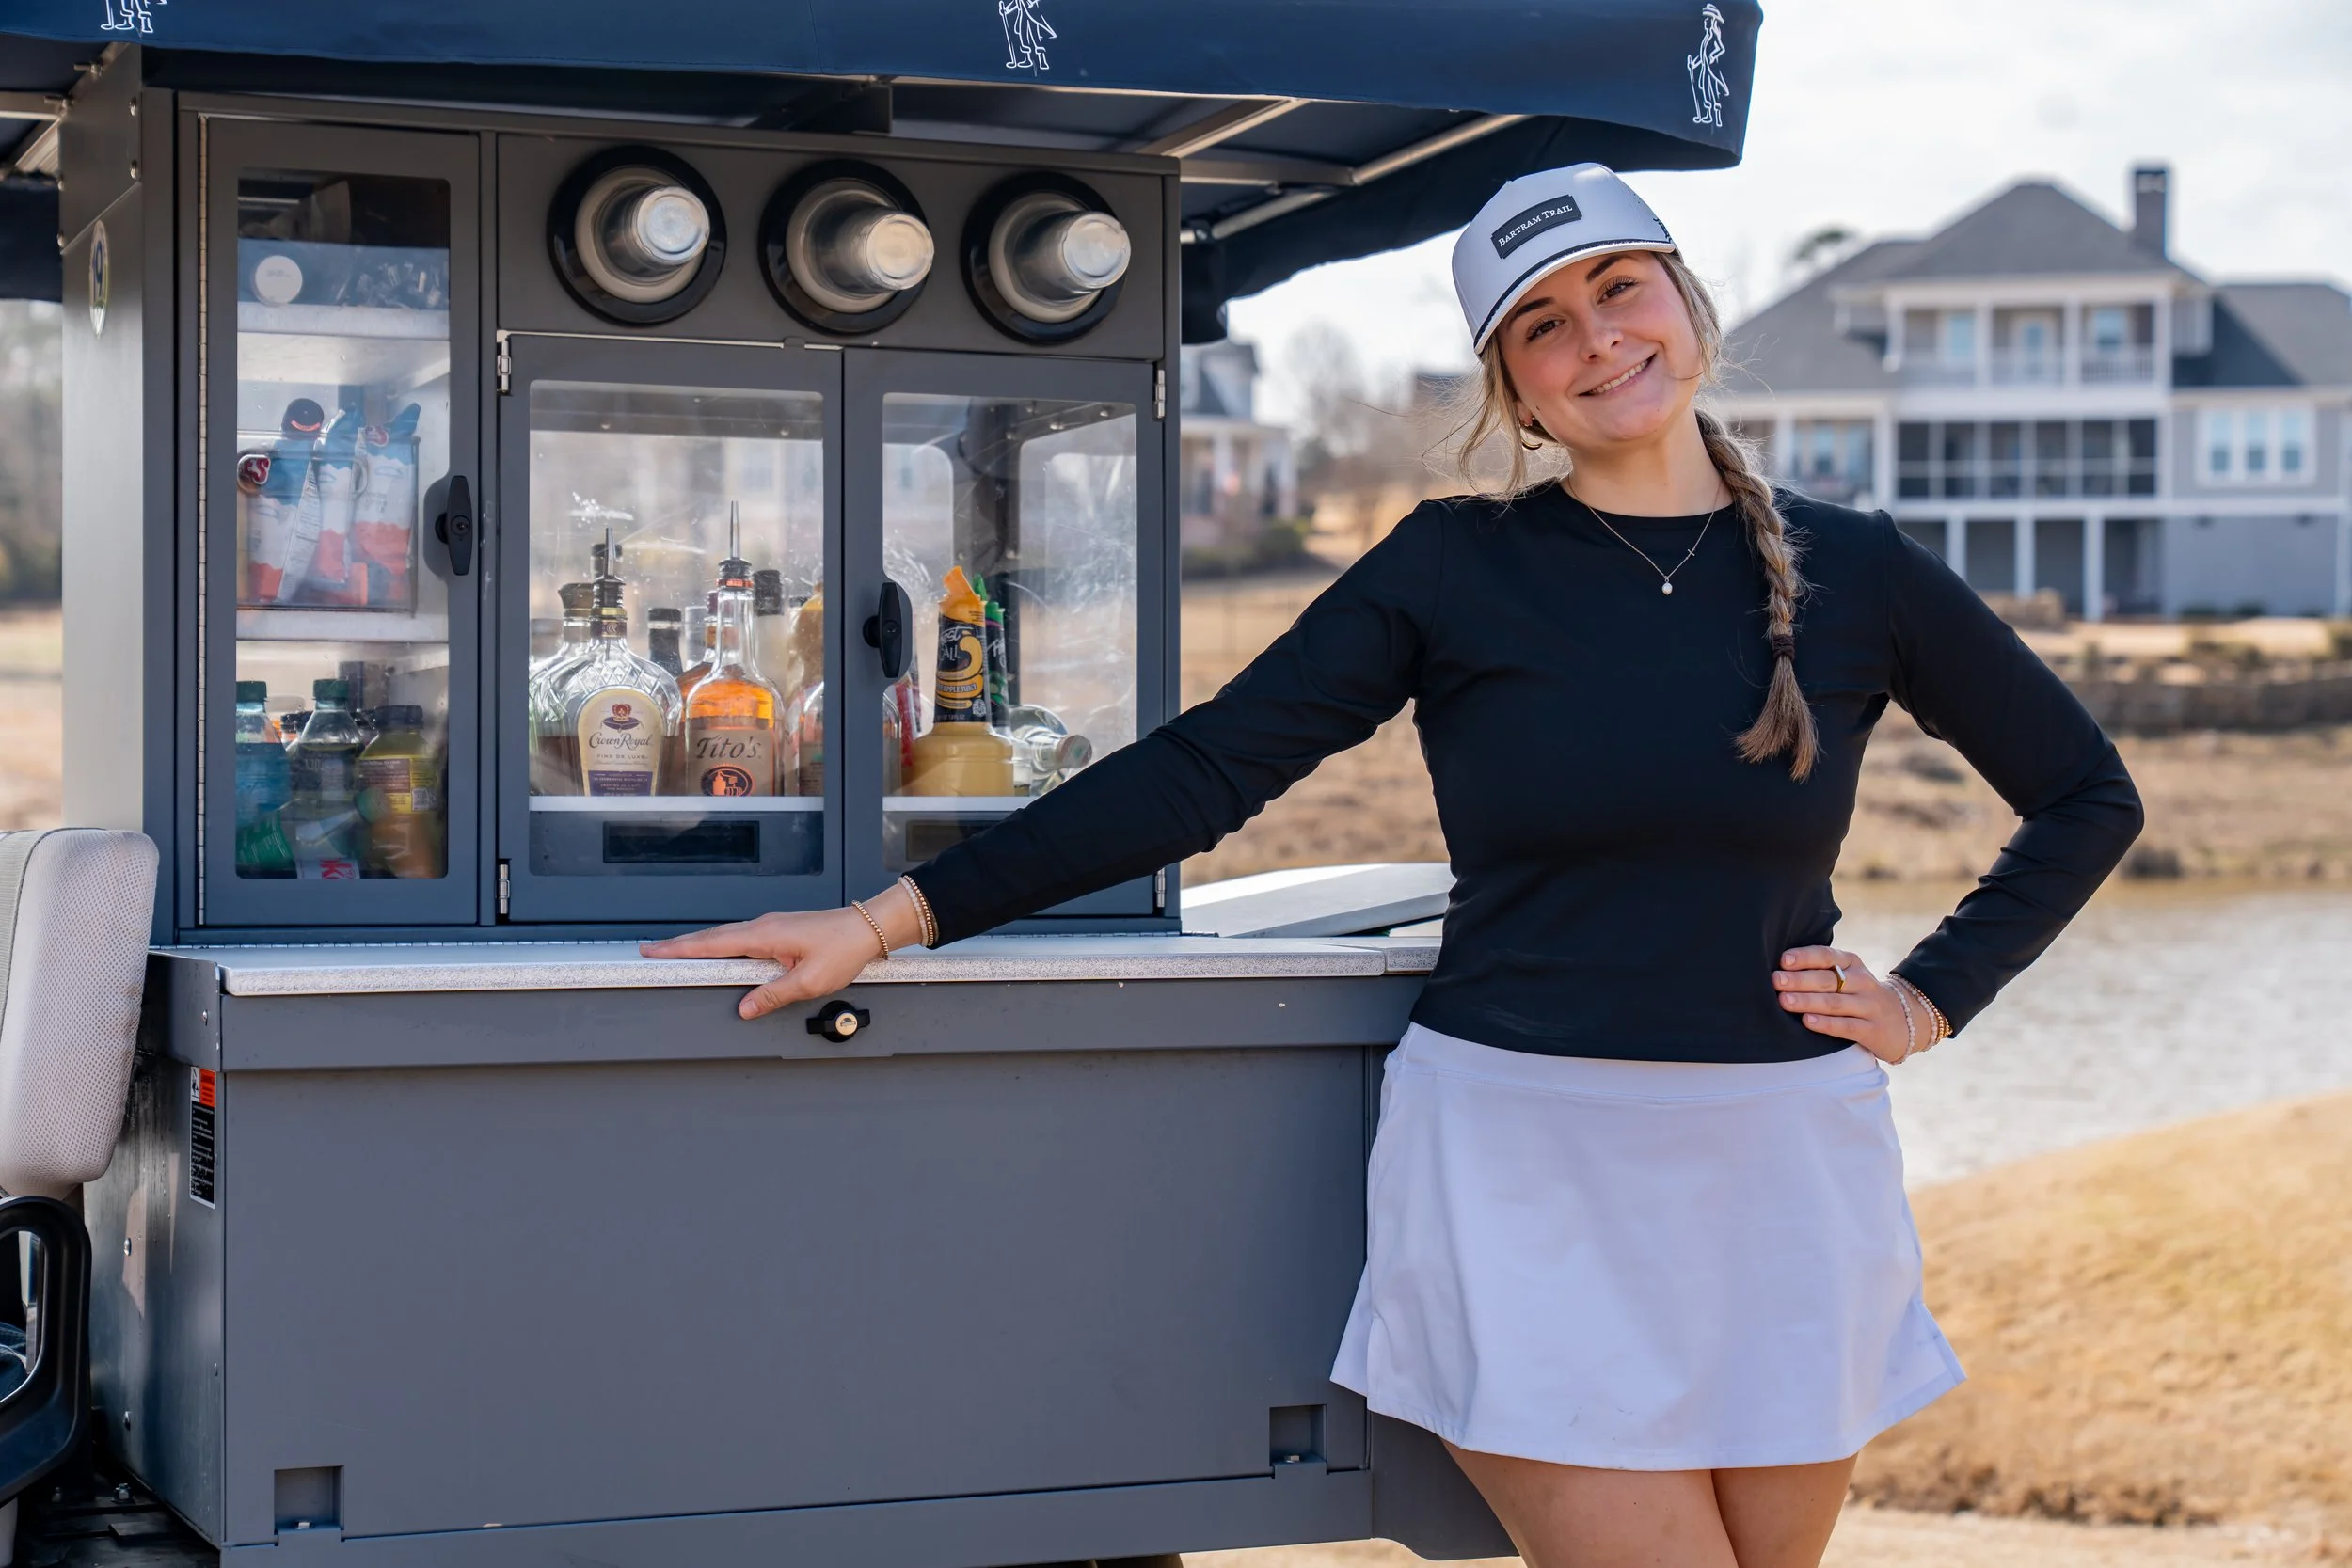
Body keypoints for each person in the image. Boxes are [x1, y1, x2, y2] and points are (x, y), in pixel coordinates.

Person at [644, 163, 2144, 1568]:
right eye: (1544, 324)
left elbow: (2086, 794)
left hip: (1784, 1163)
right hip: (1527, 1157)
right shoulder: (1452, 567)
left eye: (1622, 289)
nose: (1599, 340)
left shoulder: (1855, 567)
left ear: (1688, 303)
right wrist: (892, 914)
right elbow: (1210, 767)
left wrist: (1931, 999)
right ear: (1512, 386)